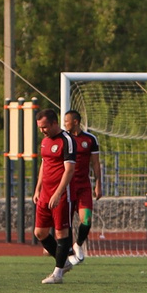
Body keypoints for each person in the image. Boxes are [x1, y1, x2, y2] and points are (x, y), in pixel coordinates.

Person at [35, 106, 79, 284]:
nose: (42, 131)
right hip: (45, 194)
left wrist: (58, 193)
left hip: (61, 194)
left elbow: (69, 170)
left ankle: (58, 273)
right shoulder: (45, 142)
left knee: (61, 233)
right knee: (40, 233)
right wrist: (38, 188)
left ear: (54, 123)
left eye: (44, 127)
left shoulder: (67, 140)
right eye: (39, 127)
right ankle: (65, 262)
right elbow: (44, 165)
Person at [62, 106, 102, 265]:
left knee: (86, 220)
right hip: (67, 186)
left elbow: (96, 164)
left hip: (84, 186)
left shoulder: (90, 139)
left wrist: (98, 183)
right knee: (66, 222)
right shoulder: (63, 139)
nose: (64, 124)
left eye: (66, 121)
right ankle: (69, 253)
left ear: (75, 122)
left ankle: (78, 244)